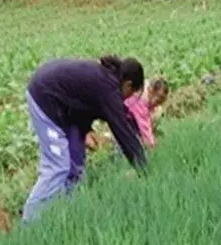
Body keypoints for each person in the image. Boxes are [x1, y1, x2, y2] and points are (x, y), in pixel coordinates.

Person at [22, 55, 148, 222]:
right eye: (130, 94)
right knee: (57, 166)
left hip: (63, 106)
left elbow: (82, 104)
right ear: (128, 84)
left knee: (75, 161)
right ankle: (30, 223)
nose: (125, 99)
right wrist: (144, 170)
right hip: (44, 96)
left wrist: (85, 132)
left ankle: (66, 214)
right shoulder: (109, 88)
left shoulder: (106, 80)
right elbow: (122, 131)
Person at [123, 76, 169, 148]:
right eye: (157, 101)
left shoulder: (144, 91)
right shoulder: (140, 100)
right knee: (125, 145)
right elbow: (144, 126)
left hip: (128, 117)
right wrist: (151, 145)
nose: (156, 105)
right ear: (151, 91)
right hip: (123, 117)